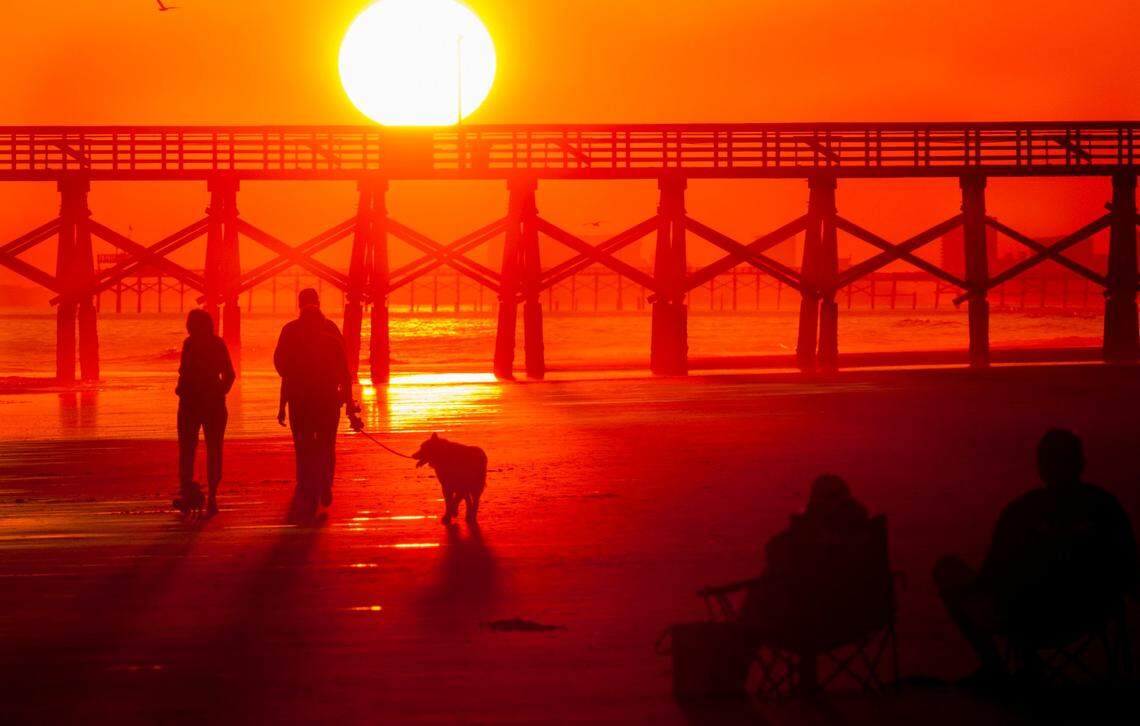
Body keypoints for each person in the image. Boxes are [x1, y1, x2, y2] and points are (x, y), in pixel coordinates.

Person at [934, 429, 1139, 687]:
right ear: (1081, 463)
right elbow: (1129, 569)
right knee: (1020, 590)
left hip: (1026, 620)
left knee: (948, 570)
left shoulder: (1021, 512)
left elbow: (991, 576)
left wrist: (967, 591)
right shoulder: (1106, 507)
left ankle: (996, 668)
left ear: (1041, 467)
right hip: (1090, 614)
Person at [273, 288, 362, 520]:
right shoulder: (331, 333)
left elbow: (283, 369)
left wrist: (282, 404)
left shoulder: (291, 332)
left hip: (300, 400)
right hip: (328, 400)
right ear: (319, 306)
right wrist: (349, 404)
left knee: (303, 446)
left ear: (299, 306)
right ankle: (324, 484)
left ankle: (305, 485)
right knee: (326, 445)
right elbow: (346, 373)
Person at [174, 308, 235, 516]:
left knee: (188, 451)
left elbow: (186, 371)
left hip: (192, 404)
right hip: (209, 404)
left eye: (191, 324)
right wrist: (220, 392)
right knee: (213, 450)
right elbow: (230, 374)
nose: (189, 328)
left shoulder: (190, 344)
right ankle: (210, 498)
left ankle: (193, 494)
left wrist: (218, 393)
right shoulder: (214, 344)